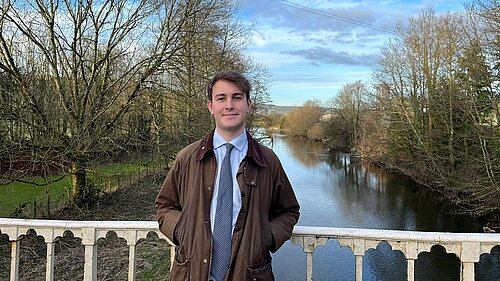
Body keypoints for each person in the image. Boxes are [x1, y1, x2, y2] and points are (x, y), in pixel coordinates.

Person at [155, 70, 300, 281]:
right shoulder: (187, 158)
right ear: (210, 107)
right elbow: (164, 205)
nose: (229, 105)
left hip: (249, 274)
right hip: (191, 273)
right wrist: (182, 230)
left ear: (249, 105)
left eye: (237, 97)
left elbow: (289, 211)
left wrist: (264, 237)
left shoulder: (268, 161)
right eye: (221, 98)